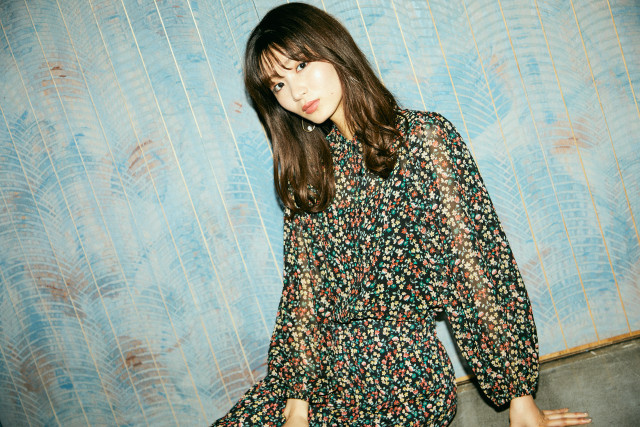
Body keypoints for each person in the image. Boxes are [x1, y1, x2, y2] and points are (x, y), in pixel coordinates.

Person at [213, 3, 591, 426]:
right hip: (320, 378)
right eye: (279, 84)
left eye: (301, 65)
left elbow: (475, 267)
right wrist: (296, 405)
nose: (296, 92)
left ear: (334, 51)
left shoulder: (423, 140)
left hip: (402, 377)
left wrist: (520, 399)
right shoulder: (311, 174)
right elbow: (304, 294)